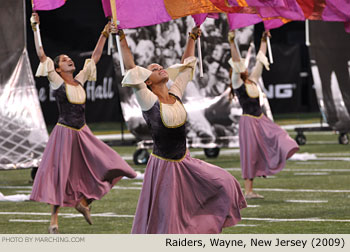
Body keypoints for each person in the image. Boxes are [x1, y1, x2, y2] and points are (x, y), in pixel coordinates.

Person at [117, 26, 247, 234]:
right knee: (168, 221)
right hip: (164, 168)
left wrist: (192, 38)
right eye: (154, 68)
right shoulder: (148, 99)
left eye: (160, 66)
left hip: (185, 162)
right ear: (147, 81)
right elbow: (131, 67)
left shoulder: (175, 94)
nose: (160, 67)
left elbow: (186, 67)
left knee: (225, 181)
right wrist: (122, 37)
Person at [29, 13, 137, 234]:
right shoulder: (57, 81)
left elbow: (95, 57)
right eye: (64, 60)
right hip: (65, 133)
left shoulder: (79, 80)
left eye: (70, 59)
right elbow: (41, 55)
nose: (69, 60)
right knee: (61, 175)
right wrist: (35, 28)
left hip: (82, 133)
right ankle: (54, 219)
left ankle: (85, 203)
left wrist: (104, 33)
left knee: (114, 165)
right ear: (58, 69)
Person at [228, 30, 299, 199]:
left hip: (261, 120)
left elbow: (260, 60)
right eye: (240, 66)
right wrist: (232, 43)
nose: (244, 65)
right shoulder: (237, 82)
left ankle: (274, 161)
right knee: (250, 154)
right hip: (249, 122)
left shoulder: (252, 79)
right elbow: (237, 63)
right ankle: (248, 191)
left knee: (281, 136)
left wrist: (264, 40)